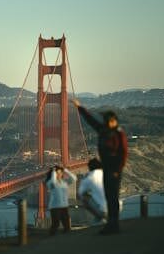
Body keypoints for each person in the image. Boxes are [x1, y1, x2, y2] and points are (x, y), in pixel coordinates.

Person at [72, 99, 128, 235]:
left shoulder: (119, 134)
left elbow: (124, 153)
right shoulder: (103, 130)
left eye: (107, 119)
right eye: (104, 120)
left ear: (114, 121)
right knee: (109, 196)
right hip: (106, 169)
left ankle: (114, 224)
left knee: (113, 196)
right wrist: (80, 108)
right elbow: (90, 120)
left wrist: (117, 170)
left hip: (114, 170)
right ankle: (111, 224)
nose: (105, 121)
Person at [46, 165, 77, 235]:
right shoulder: (50, 183)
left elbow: (74, 178)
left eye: (61, 173)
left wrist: (66, 170)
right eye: (58, 173)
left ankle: (65, 241)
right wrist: (54, 171)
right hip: (55, 207)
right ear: (54, 174)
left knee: (67, 226)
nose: (59, 174)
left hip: (64, 206)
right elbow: (54, 182)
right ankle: (50, 240)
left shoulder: (64, 182)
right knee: (55, 224)